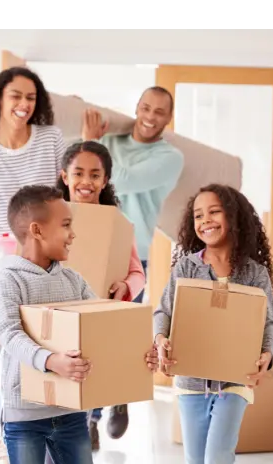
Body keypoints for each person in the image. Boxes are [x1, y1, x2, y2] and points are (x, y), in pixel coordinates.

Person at [151, 183, 273, 464]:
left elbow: (269, 324)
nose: (204, 220)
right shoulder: (186, 268)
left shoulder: (254, 273)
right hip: (192, 383)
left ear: (233, 217)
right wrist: (161, 337)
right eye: (197, 215)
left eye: (214, 211)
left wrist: (267, 354)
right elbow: (164, 311)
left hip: (234, 382)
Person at [0, 66, 66, 464]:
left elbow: (63, 195)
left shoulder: (51, 139)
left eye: (31, 98)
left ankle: (44, 436)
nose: (24, 105)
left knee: (41, 350)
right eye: (16, 96)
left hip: (43, 263)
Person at [37, 141, 147, 464]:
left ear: (105, 180)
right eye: (79, 173)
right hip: (56, 325)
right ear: (64, 177)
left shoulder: (115, 222)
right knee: (52, 416)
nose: (86, 181)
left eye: (95, 174)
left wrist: (126, 287)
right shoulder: (47, 216)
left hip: (96, 325)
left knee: (75, 422)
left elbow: (136, 271)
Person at [81, 86, 184, 439]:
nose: (150, 117)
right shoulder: (113, 141)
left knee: (119, 337)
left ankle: (118, 398)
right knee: (89, 337)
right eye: (145, 108)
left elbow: (122, 179)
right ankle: (91, 420)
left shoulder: (170, 157)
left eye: (159, 112)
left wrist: (94, 144)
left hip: (132, 254)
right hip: (93, 246)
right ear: (137, 108)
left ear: (168, 118)